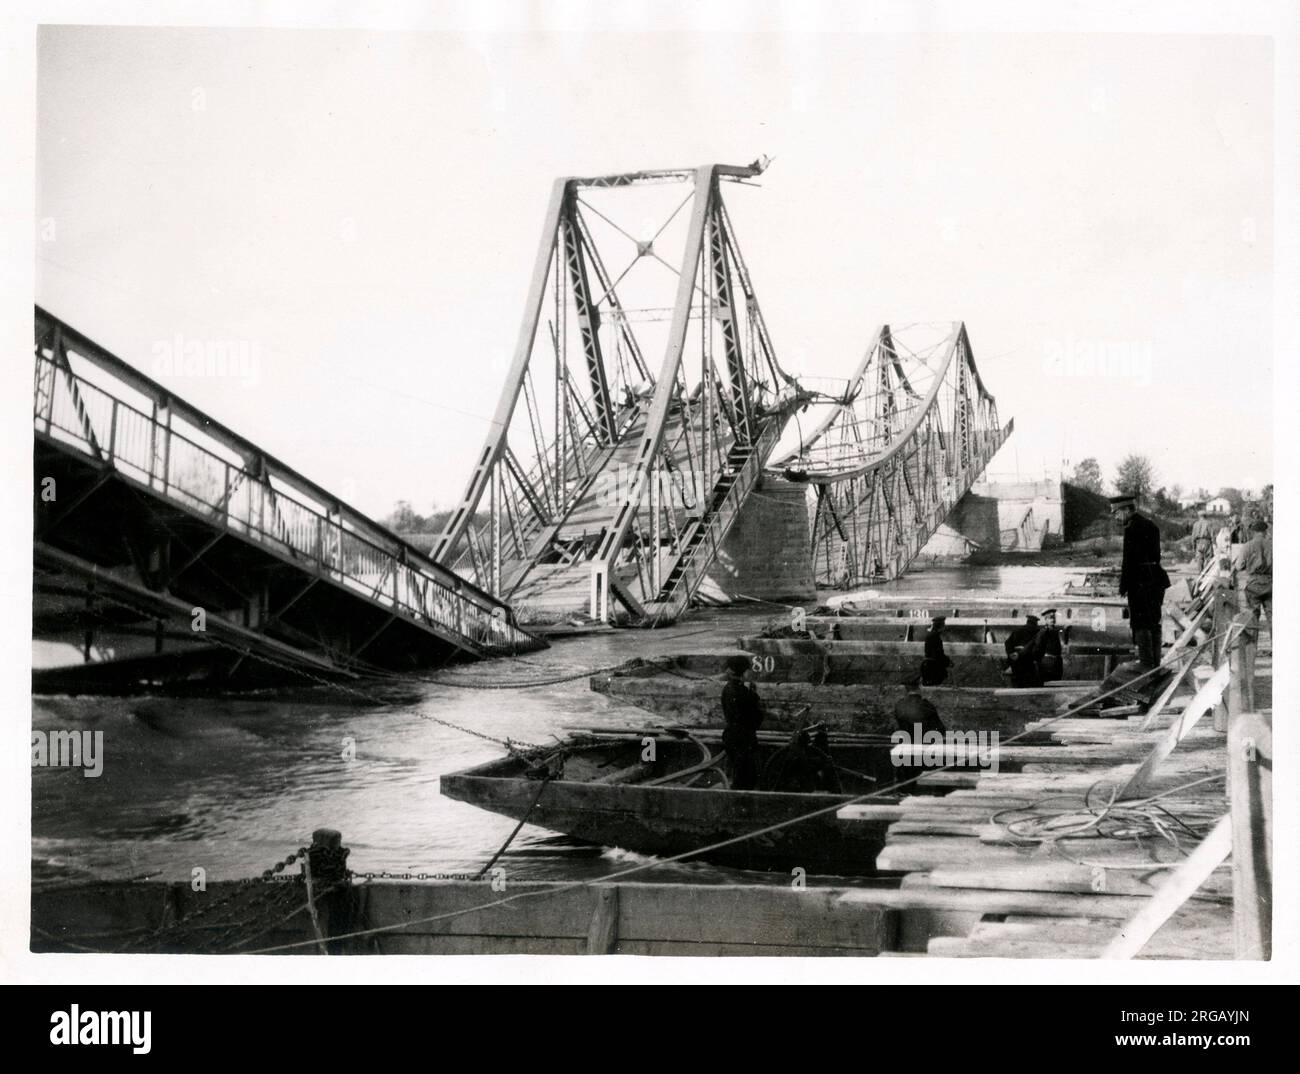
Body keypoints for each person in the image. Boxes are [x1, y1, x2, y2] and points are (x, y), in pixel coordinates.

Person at [1113, 494, 1171, 668]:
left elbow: (1128, 561)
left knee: (1140, 625)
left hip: (1139, 583)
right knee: (1154, 622)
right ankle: (1155, 665)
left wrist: (1123, 587)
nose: (1116, 517)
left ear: (1126, 510)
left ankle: (1146, 668)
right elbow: (1156, 556)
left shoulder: (1131, 529)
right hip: (1155, 580)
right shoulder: (1151, 525)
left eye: (1117, 513)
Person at [720, 654, 764, 790]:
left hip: (731, 735)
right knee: (746, 777)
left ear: (731, 671)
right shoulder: (746, 693)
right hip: (745, 739)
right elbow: (757, 717)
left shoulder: (727, 689)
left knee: (737, 773)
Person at [1234, 519, 1272, 626]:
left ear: (1253, 532)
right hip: (1270, 584)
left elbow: (1238, 566)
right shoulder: (1273, 545)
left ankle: (1252, 642)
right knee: (1273, 618)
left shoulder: (1247, 546)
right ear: (1265, 531)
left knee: (1252, 618)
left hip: (1253, 584)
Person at [1003, 613, 1043, 687]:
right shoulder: (1037, 631)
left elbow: (1007, 643)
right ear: (1035, 623)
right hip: (1028, 659)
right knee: (1029, 681)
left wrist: (1011, 654)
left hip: (1016, 659)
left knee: (1017, 681)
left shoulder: (1017, 630)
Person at [919, 616, 953, 685]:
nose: (944, 628)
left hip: (927, 666)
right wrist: (948, 662)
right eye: (943, 626)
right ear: (940, 627)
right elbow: (938, 655)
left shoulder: (931, 635)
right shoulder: (935, 637)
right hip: (933, 667)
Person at [1036, 608, 1064, 683]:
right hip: (1047, 662)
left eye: (1054, 618)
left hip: (1056, 662)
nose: (1053, 620)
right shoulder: (1043, 632)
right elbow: (1038, 647)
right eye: (1051, 618)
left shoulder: (1055, 631)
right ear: (1046, 620)